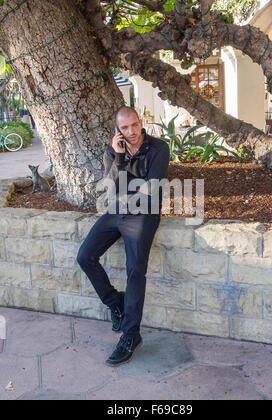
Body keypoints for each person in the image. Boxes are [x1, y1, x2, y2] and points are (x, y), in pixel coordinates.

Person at [76, 106, 170, 366]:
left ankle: (131, 335)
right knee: (85, 256)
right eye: (125, 128)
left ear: (141, 122)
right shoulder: (113, 150)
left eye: (134, 125)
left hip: (144, 214)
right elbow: (110, 186)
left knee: (135, 271)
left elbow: (151, 188)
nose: (131, 132)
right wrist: (118, 158)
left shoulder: (159, 148)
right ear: (118, 130)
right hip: (116, 210)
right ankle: (114, 301)